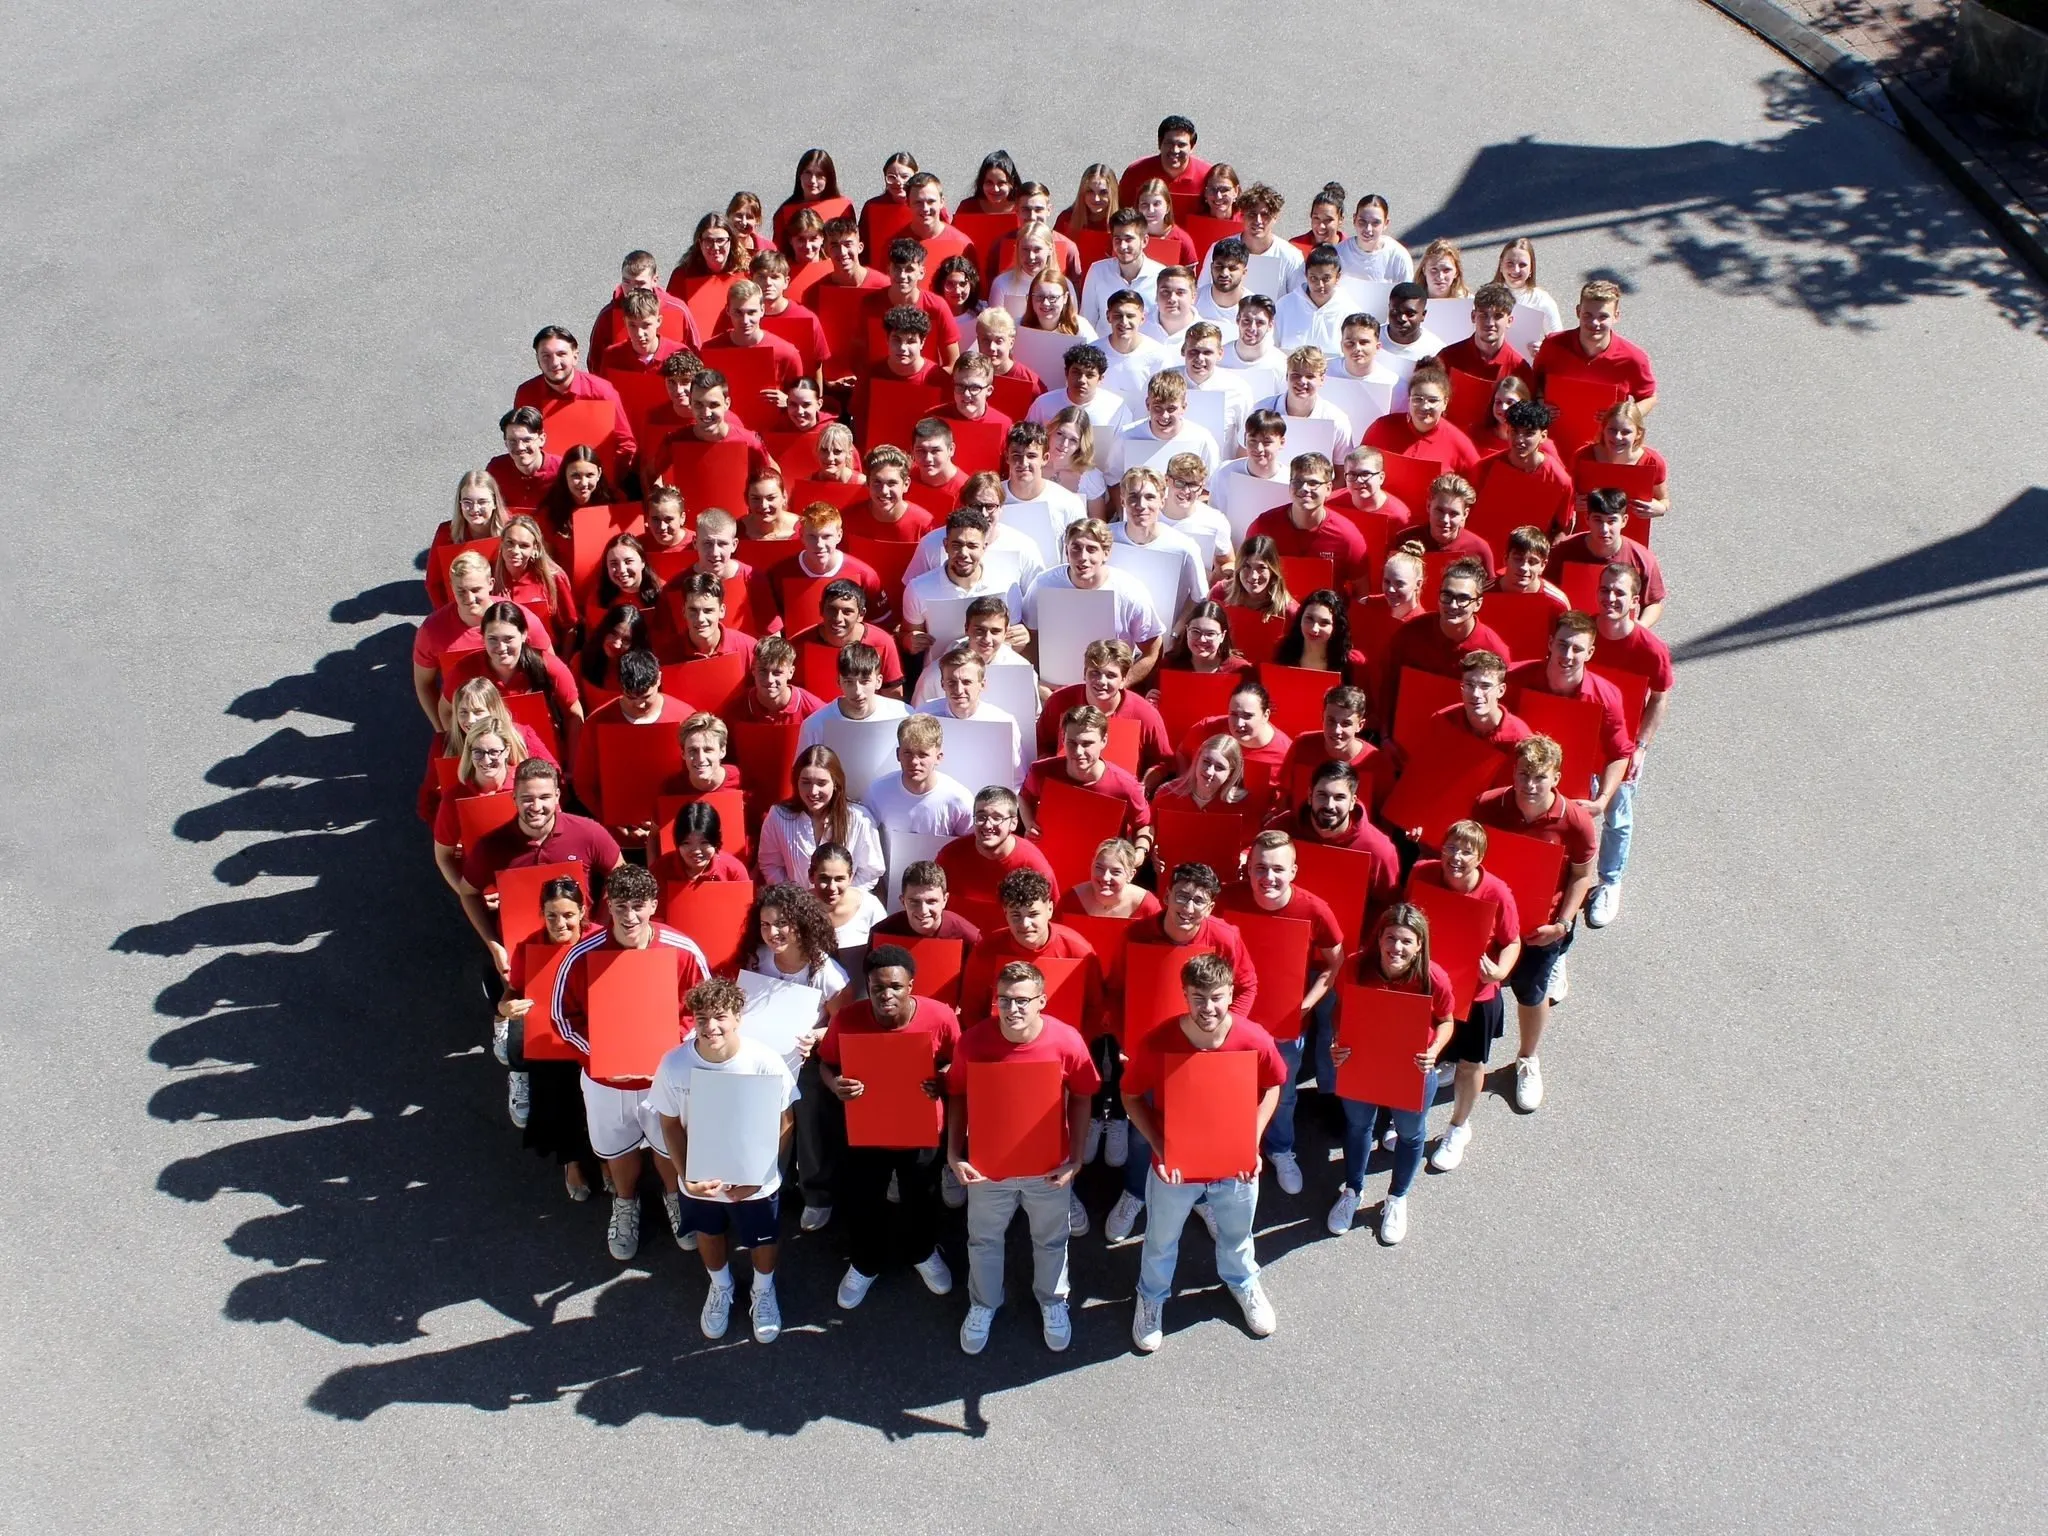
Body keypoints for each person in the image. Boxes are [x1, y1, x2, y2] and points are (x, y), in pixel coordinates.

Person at [1122, 952, 1285, 1351]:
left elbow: (1273, 1086)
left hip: (1236, 1165)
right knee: (1161, 1239)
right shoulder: (1159, 1040)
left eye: (1216, 996)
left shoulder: (1255, 1039)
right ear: (1184, 994)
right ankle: (1151, 1297)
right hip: (1174, 1169)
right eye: (1198, 996)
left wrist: (1252, 1137)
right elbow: (1129, 1095)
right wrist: (1160, 1147)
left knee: (1237, 1232)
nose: (1207, 1007)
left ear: (1231, 994)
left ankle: (1243, 1282)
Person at [549, 862, 707, 1260]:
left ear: (654, 904)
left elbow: (704, 1010)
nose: (630, 915)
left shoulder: (682, 950)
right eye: (621, 905)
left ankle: (675, 1198)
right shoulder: (581, 956)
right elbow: (562, 1018)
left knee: (670, 1147)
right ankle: (625, 1203)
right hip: (607, 1079)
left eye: (639, 905)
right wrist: (601, 1055)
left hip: (664, 1079)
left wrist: (671, 1054)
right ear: (608, 905)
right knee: (617, 1148)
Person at [949, 959, 1099, 1353]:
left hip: (1048, 1169)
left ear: (1042, 1001)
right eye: (1003, 1000)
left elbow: (1082, 1097)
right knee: (983, 1241)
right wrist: (953, 1153)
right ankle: (983, 1304)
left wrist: (1077, 1159)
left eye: (1021, 1000)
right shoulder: (973, 1042)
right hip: (988, 1169)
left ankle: (1053, 1301)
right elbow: (959, 1096)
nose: (1011, 1009)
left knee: (1051, 1241)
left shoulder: (1066, 1042)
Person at [649, 976, 798, 1343]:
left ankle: (763, 1291)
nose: (711, 1026)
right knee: (709, 1231)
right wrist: (687, 1176)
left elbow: (784, 1123)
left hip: (756, 1178)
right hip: (700, 1177)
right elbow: (669, 1123)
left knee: (762, 1237)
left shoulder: (765, 1061)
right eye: (702, 1018)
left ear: (737, 1018)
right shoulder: (674, 1065)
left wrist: (759, 1176)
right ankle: (721, 1286)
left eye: (720, 1016)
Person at [819, 946, 961, 1313]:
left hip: (921, 1124)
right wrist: (837, 1087)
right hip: (867, 1127)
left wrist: (941, 1080)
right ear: (868, 985)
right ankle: (865, 1262)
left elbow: (956, 1065)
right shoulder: (848, 1018)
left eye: (895, 987)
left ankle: (923, 1251)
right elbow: (827, 1065)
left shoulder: (940, 1017)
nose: (886, 995)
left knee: (921, 1195)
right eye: (877, 987)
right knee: (864, 1198)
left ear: (911, 986)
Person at [1475, 735, 1598, 1113]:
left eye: (1539, 777)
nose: (1529, 785)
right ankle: (1462, 1055)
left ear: (1556, 778)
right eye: (1523, 774)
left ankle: (1527, 1058)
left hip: (1542, 929)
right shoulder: (1488, 804)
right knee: (1479, 990)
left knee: (1530, 993)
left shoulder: (1576, 822)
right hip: (1492, 923)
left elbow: (1581, 876)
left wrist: (1561, 926)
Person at [1222, 831, 1346, 1195]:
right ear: (1248, 868)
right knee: (1231, 1089)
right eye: (1260, 868)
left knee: (1283, 1091)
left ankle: (1280, 1149)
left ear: (1293, 870)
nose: (1268, 878)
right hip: (1231, 1020)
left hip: (1285, 1024)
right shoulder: (1228, 898)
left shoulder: (1314, 910)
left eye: (1277, 869)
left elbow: (1334, 963)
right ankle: (1230, 1153)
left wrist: (1306, 1003)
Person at [1326, 904, 1455, 1245]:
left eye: (1406, 941)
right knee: (1358, 1127)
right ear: (1379, 939)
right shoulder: (1355, 966)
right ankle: (1352, 1189)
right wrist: (1338, 1040)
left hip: (1411, 1068)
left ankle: (1397, 1197)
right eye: (1390, 938)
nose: (1396, 947)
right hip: (1362, 1062)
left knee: (1411, 1134)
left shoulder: (1433, 978)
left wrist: (1434, 1050)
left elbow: (1447, 1021)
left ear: (1419, 946)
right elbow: (1341, 1010)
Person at [1406, 821, 1522, 1171]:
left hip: (1476, 993)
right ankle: (1409, 1117)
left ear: (1480, 857)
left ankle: (1459, 1126)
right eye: (1451, 847)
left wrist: (1500, 972)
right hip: (1428, 988)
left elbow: (1512, 941)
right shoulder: (1421, 874)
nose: (1456, 857)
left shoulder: (1497, 892)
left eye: (1466, 851)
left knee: (1470, 1065)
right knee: (1420, 1056)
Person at [458, 758, 625, 977]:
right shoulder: (491, 847)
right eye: (527, 799)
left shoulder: (588, 832)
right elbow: (468, 892)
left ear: (557, 796)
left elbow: (620, 875)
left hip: (580, 948)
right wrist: (495, 945)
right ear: (514, 798)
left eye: (544, 797)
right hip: (521, 957)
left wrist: (600, 929)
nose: (536, 807)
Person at [495, 876, 601, 1198]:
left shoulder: (601, 940)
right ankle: (571, 1161)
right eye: (552, 915)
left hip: (595, 1034)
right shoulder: (530, 947)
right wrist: (505, 1008)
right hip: (552, 1041)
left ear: (582, 912)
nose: (560, 924)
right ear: (542, 914)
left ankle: (609, 1159)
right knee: (557, 1087)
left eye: (568, 915)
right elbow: (511, 993)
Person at [1588, 562, 1674, 927]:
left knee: (1616, 816)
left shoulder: (1650, 649)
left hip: (1620, 745)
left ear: (1635, 601)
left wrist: (1640, 746)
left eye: (1619, 592)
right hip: (1578, 736)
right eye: (1605, 590)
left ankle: (1609, 882)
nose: (1610, 597)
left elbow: (1659, 696)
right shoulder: (1583, 632)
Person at [1506, 611, 1633, 817]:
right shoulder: (1513, 678)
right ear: (1550, 643)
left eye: (1577, 649)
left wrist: (1602, 800)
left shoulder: (1606, 697)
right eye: (1562, 645)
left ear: (1590, 653)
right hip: (1514, 786)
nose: (1567, 656)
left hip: (1569, 799)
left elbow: (1619, 753)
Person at [412, 552, 552, 727]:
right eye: (461, 591)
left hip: (523, 717)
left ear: (490, 584)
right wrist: (443, 731)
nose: (469, 599)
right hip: (469, 722)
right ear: (451, 588)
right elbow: (424, 684)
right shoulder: (432, 630)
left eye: (475, 590)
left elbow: (550, 667)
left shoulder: (521, 618)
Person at [569, 647, 693, 843]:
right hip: (618, 835)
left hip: (675, 831)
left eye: (646, 697)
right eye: (631, 697)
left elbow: (694, 777)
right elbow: (584, 784)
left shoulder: (685, 717)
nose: (639, 705)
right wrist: (611, 821)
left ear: (659, 679)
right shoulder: (597, 722)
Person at [1023, 519, 1166, 682]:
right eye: (1075, 548)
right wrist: (1038, 681)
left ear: (1106, 553)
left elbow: (1153, 649)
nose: (1083, 557)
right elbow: (1030, 636)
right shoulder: (1043, 583)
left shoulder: (1130, 592)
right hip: (1055, 688)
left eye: (1091, 549)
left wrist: (1121, 686)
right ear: (1066, 550)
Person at [1378, 559, 1511, 734]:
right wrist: (1386, 737)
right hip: (1409, 735)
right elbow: (1389, 687)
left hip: (1462, 741)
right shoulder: (1410, 634)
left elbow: (1499, 710)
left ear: (1478, 603)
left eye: (1463, 598)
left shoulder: (1493, 650)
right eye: (1447, 596)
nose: (1453, 605)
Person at [1263, 760, 1400, 917]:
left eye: (1339, 797)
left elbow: (1388, 910)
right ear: (1309, 796)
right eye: (1322, 795)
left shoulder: (1379, 849)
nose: (1329, 805)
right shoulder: (1280, 829)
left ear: (1352, 802)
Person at [1020, 704, 1154, 854]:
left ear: (1104, 741)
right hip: (1051, 860)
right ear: (1063, 739)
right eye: (1072, 743)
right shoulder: (1042, 771)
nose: (1078, 752)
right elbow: (1024, 797)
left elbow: (1144, 825)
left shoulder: (1126, 785)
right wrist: (1029, 824)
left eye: (1087, 744)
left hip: (1102, 872)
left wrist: (1139, 853)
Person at [511, 326, 638, 477]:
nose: (554, 363)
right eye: (546, 356)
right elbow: (520, 441)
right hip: (548, 483)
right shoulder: (527, 394)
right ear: (537, 359)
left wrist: (605, 479)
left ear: (575, 356)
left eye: (561, 354)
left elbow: (626, 445)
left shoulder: (601, 392)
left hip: (596, 484)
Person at [757, 745, 885, 890]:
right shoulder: (778, 816)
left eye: (821, 783)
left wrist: (843, 898)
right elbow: (770, 864)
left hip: (845, 908)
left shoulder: (860, 818)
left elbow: (871, 870)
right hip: (796, 908)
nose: (813, 791)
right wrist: (794, 899)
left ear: (835, 783)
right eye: (806, 782)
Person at [1034, 637, 1174, 769]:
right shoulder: (1059, 701)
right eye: (1095, 673)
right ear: (1084, 673)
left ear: (1124, 680)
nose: (1101, 681)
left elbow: (1163, 762)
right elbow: (1040, 745)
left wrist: (1144, 785)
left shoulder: (1145, 714)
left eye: (1111, 675)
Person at [936, 785, 1057, 936]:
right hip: (959, 945)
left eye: (997, 818)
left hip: (1008, 949)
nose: (988, 825)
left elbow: (1050, 915)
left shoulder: (1033, 864)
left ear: (1014, 823)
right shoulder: (950, 856)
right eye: (981, 817)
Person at [1247, 451, 1370, 588]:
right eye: (1298, 482)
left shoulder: (1347, 536)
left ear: (1328, 489)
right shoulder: (1263, 527)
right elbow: (1244, 574)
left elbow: (1361, 590)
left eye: (1313, 483)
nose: (1304, 488)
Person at [1533, 279, 1657, 413]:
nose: (1594, 323)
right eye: (1588, 315)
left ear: (1616, 316)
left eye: (1603, 316)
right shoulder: (1553, 345)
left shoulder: (1633, 358)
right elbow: (1534, 380)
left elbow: (1648, 397)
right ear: (1578, 312)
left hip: (1608, 434)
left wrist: (1624, 416)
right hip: (1553, 433)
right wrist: (1540, 403)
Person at [1548, 488, 1667, 625]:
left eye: (1611, 521)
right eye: (1598, 520)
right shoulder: (1562, 550)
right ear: (1587, 519)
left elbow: (1653, 602)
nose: (1604, 529)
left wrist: (1638, 629)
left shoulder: (1642, 558)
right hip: (1572, 633)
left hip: (1616, 634)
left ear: (1624, 521)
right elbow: (1545, 591)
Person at [1277, 683, 1392, 816]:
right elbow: (1283, 795)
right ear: (1322, 717)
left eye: (1346, 724)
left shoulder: (1376, 761)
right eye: (1331, 721)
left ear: (1360, 725)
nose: (1336, 730)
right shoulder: (1302, 744)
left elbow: (1387, 816)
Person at [861, 714, 974, 838]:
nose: (914, 761)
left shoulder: (959, 799)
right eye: (908, 753)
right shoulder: (877, 792)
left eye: (922, 754)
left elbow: (970, 845)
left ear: (938, 757)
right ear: (898, 754)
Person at [1364, 359, 1482, 478]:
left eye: (1433, 400)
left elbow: (1477, 485)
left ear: (1445, 403)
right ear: (1409, 399)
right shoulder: (1382, 428)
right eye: (1417, 399)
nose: (1425, 406)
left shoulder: (1459, 444)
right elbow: (1358, 467)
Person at [1104, 372, 1220, 487]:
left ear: (1184, 407)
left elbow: (1210, 487)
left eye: (1171, 409)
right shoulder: (1126, 435)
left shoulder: (1202, 438)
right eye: (1157, 408)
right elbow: (1113, 481)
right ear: (1147, 405)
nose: (1164, 416)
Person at [589, 249, 703, 362]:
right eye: (627, 282)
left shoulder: (678, 309)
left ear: (654, 280)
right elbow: (596, 361)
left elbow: (695, 353)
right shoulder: (608, 315)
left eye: (640, 283)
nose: (632, 289)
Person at [795, 639, 908, 752]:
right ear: (839, 682)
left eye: (865, 681)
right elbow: (804, 767)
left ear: (878, 682)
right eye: (849, 682)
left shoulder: (903, 716)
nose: (858, 691)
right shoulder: (814, 725)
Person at [1573, 398, 1671, 522]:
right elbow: (1565, 497)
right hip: (1588, 535)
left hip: (1633, 536)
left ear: (1638, 434)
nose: (1617, 437)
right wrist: (1573, 502)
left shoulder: (1652, 462)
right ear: (1603, 429)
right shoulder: (1583, 456)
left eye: (1626, 432)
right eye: (1612, 430)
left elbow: (1664, 499)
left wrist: (1661, 508)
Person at [1257, 346, 1357, 460]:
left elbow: (1342, 472)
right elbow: (1243, 456)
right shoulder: (1261, 409)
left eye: (1310, 376)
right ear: (1286, 376)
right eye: (1296, 375)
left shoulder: (1337, 420)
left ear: (1322, 379)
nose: (1302, 381)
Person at [427, 470, 507, 608]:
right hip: (463, 608)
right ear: (459, 504)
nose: (474, 509)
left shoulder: (511, 531)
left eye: (482, 502)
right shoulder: (446, 533)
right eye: (467, 502)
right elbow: (434, 584)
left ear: (494, 503)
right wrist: (447, 614)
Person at [1394, 473, 1497, 578]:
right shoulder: (1405, 540)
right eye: (1439, 510)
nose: (1445, 520)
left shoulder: (1479, 549)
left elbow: (1488, 593)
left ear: (1465, 514)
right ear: (1428, 506)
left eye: (1454, 513)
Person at [1080, 208, 1164, 330]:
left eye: (1129, 239)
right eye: (1117, 239)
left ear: (1144, 241)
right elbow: (1087, 321)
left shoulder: (1160, 275)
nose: (1122, 246)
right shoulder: (1097, 271)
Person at [869, 860, 983, 946]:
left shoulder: (969, 937)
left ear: (945, 900)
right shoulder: (882, 934)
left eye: (931, 901)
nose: (923, 911)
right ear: (903, 901)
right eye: (914, 902)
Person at [1438, 282, 1532, 386]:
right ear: (1473, 317)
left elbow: (1527, 402)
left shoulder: (1519, 367)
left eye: (1498, 316)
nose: (1490, 323)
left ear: (1509, 321)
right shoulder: (1447, 358)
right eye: (1484, 315)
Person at [648, 799, 750, 893]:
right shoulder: (660, 870)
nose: (696, 850)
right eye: (687, 843)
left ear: (715, 841)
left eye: (704, 843)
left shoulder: (733, 871)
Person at [1272, 587, 1366, 684]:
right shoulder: (1281, 651)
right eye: (1309, 619)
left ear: (1336, 627)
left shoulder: (1352, 664)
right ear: (1300, 619)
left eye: (1324, 623)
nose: (1314, 629)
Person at [1056, 837, 1162, 921]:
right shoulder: (1071, 900)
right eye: (1099, 868)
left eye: (1116, 872)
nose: (1105, 877)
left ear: (1131, 875)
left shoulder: (1148, 906)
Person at [1274, 247, 1353, 358]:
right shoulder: (1284, 306)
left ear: (1337, 277)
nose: (1320, 285)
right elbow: (1272, 347)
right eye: (1313, 278)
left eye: (1326, 278)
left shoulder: (1349, 312)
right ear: (1306, 275)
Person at [811, 842, 887, 948]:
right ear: (811, 876)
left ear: (850, 878)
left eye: (839, 879)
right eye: (824, 878)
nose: (832, 887)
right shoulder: (796, 908)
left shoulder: (870, 907)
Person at [1120, 113, 1210, 203]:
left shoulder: (1208, 176)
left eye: (1181, 145)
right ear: (1159, 144)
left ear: (1192, 147)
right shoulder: (1135, 172)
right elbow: (1121, 211)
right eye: (1169, 143)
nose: (1175, 150)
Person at [487, 407, 560, 511]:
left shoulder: (561, 470)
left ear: (542, 439)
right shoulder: (496, 469)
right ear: (505, 443)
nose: (520, 447)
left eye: (527, 440)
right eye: (512, 441)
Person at [1494, 236, 1566, 335]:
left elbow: (1558, 341)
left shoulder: (1541, 300)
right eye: (1510, 263)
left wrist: (1541, 347)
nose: (1516, 270)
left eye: (1522, 265)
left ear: (1531, 269)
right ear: (1501, 265)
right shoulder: (1486, 296)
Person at [1046, 406, 1109, 517]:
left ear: (1081, 444)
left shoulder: (1090, 477)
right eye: (1060, 434)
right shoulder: (1032, 465)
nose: (1064, 444)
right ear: (1050, 430)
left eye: (1073, 440)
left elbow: (1098, 525)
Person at [1336, 193, 1414, 283]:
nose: (1368, 229)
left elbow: (1408, 294)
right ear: (1354, 219)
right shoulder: (1338, 253)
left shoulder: (1398, 257)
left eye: (1375, 223)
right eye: (1362, 221)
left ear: (1386, 223)